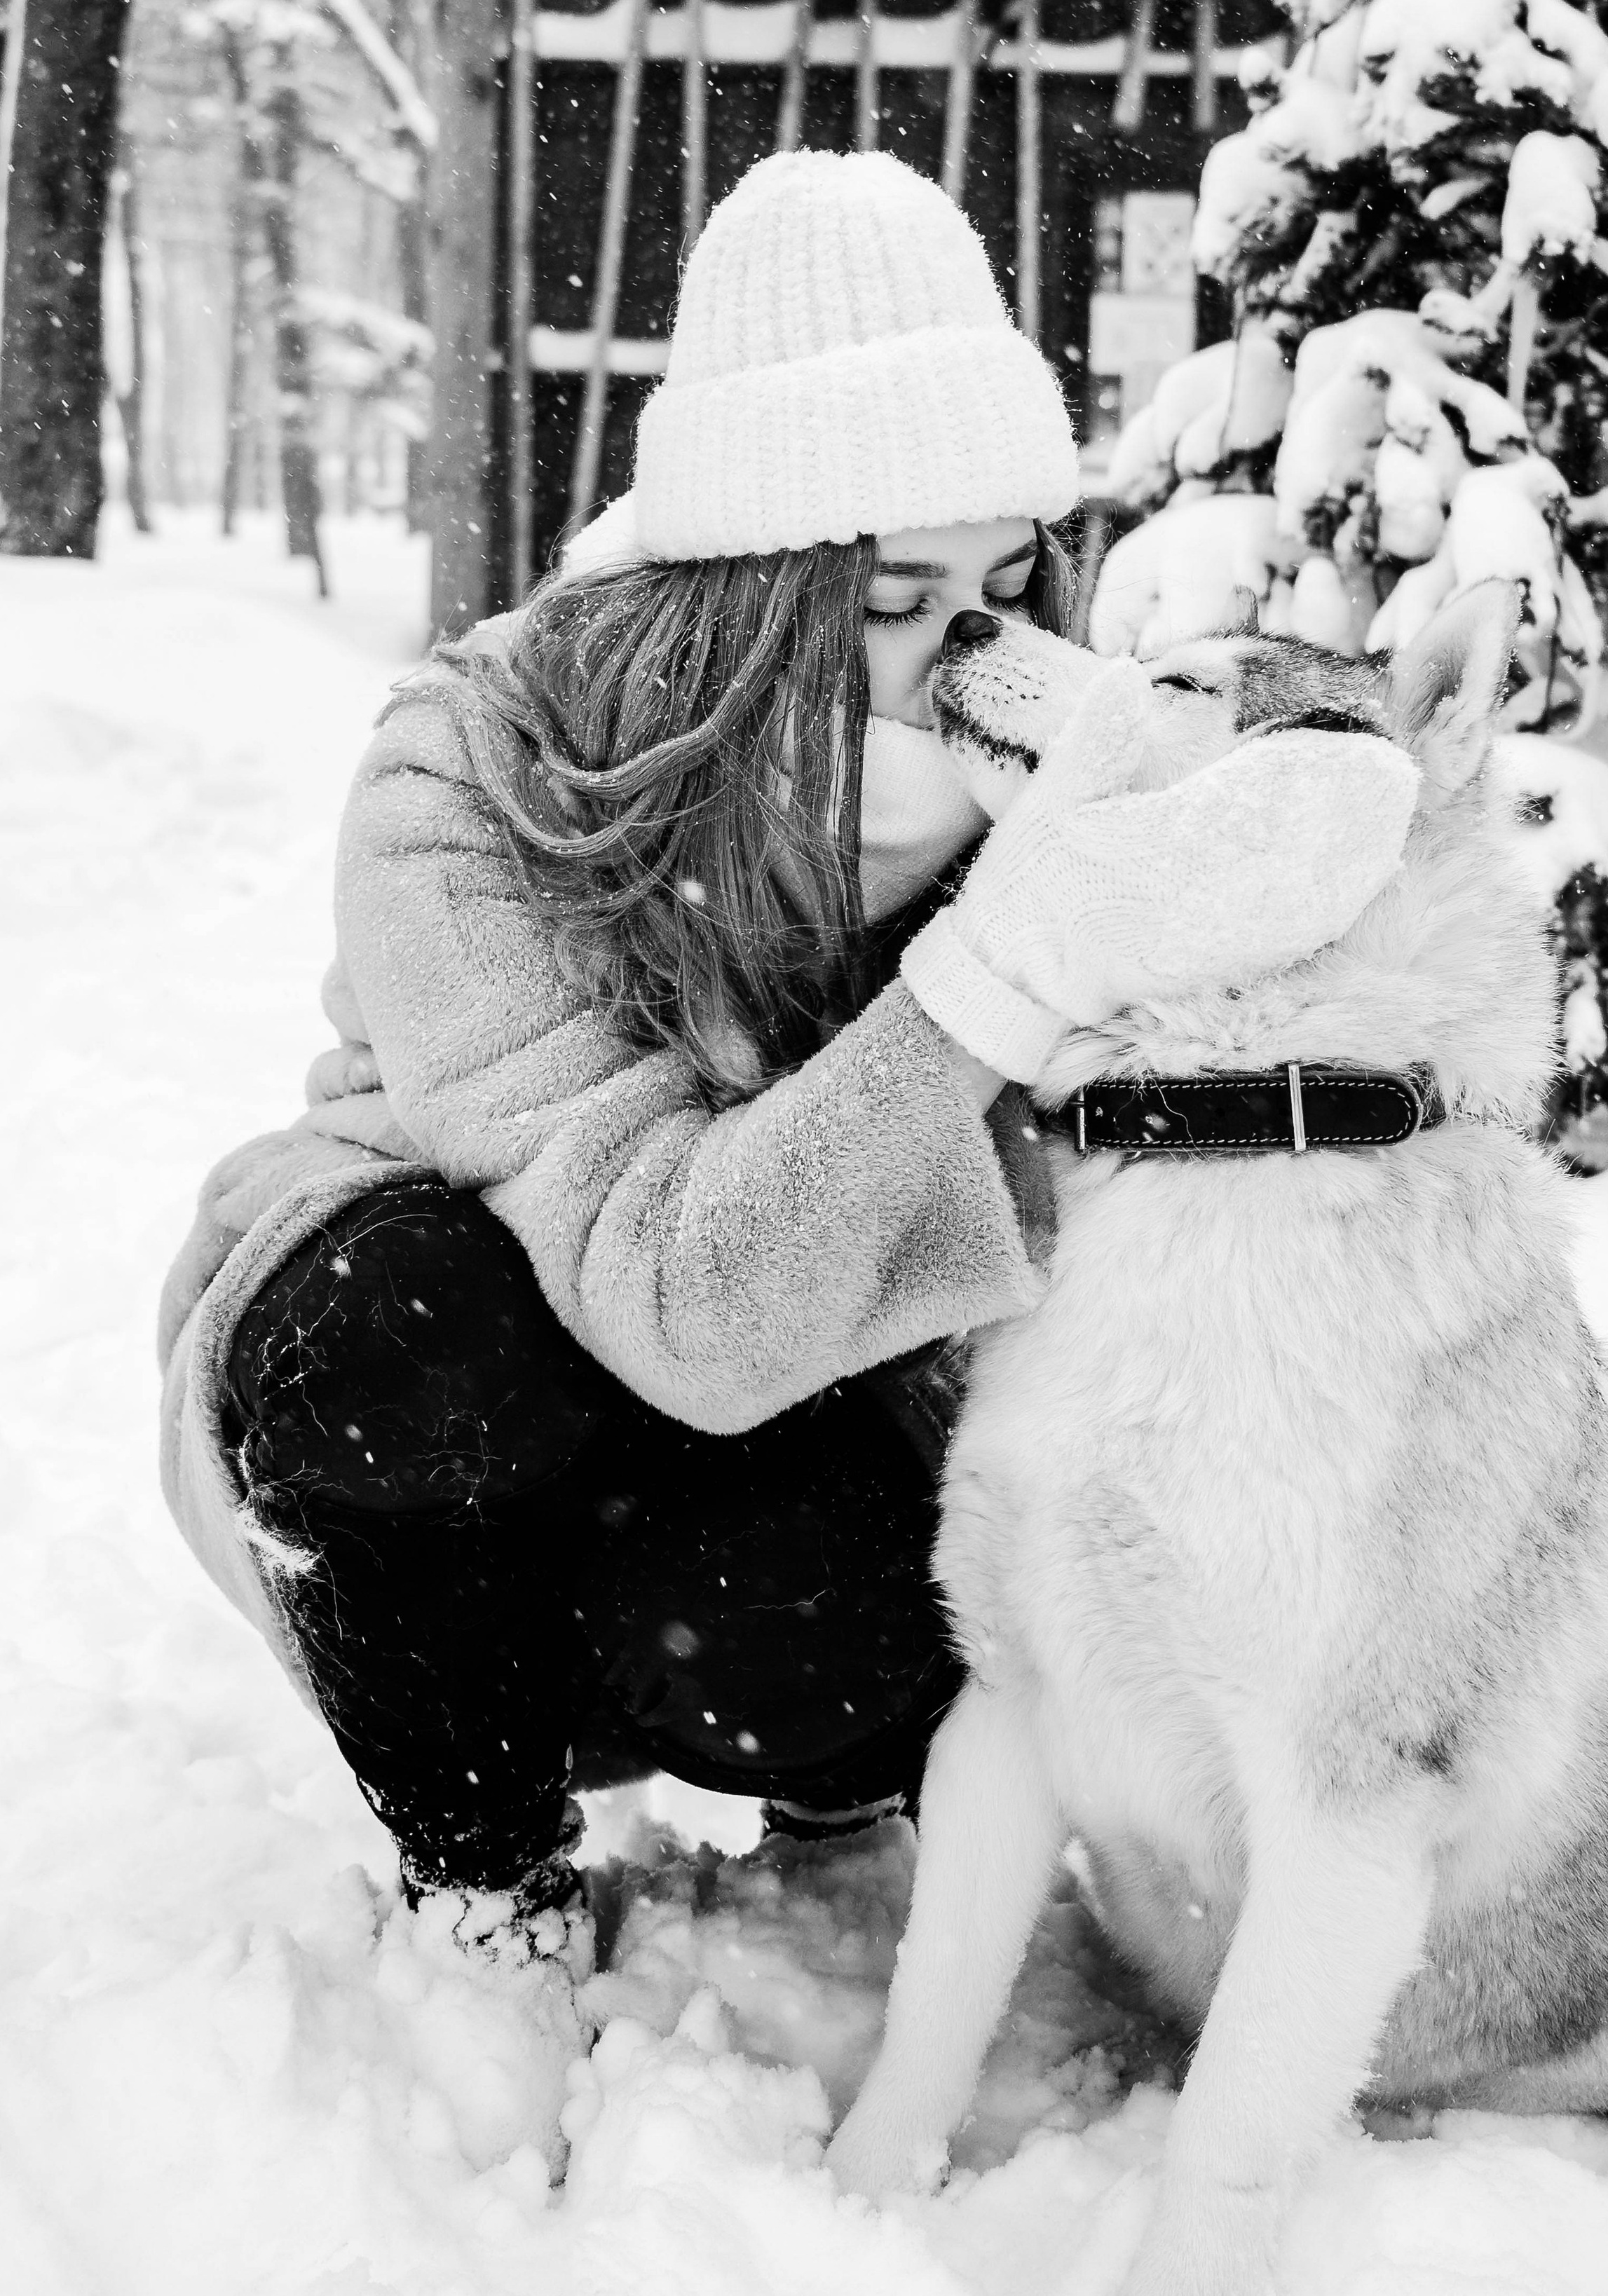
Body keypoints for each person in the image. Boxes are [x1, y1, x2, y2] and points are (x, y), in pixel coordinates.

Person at [156, 150, 1085, 1929]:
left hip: (773, 1418)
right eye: (888, 596)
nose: (966, 654)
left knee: (864, 1608)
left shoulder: (1031, 761)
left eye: (1005, 582)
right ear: (742, 588)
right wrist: (989, 977)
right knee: (401, 1329)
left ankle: (850, 1806)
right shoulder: (477, 764)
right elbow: (680, 1296)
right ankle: (482, 1870)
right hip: (473, 1394)